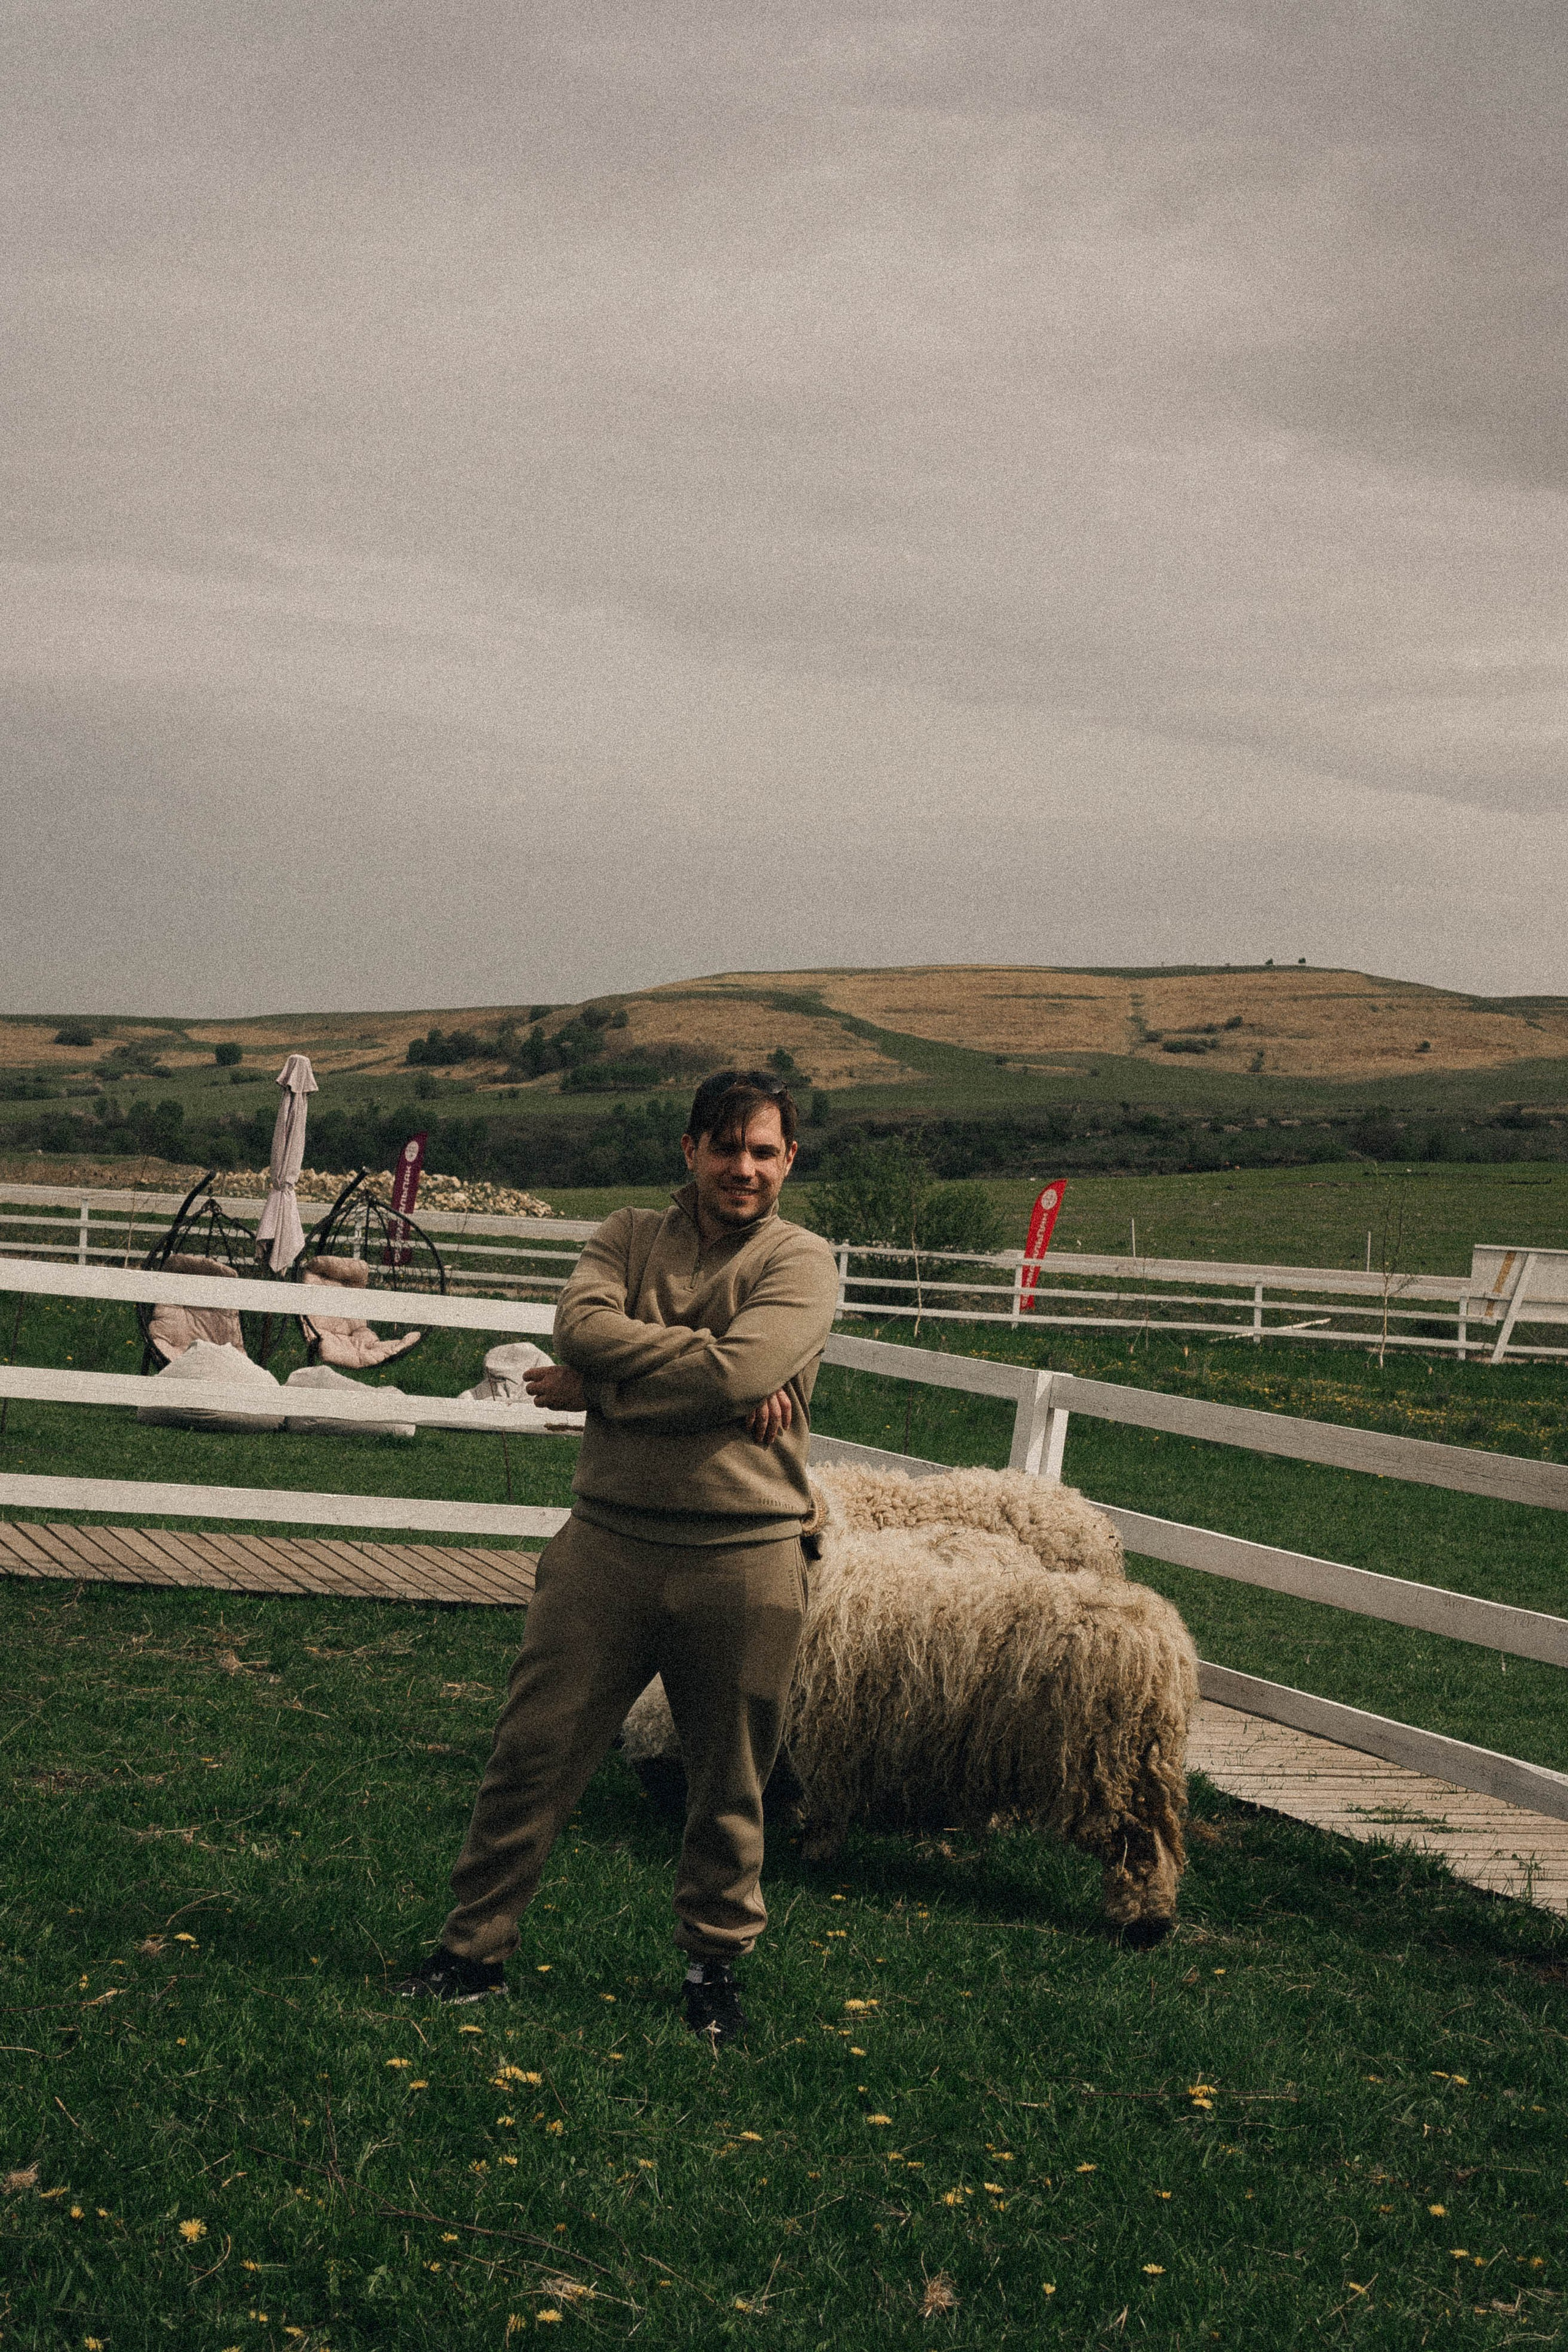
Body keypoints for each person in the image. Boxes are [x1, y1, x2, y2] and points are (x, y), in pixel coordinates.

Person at [396, 1069, 839, 2043]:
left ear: (788, 1161)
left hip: (745, 1557)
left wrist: (598, 1389)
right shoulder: (626, 1234)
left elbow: (747, 1367)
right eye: (726, 1147)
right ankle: (471, 1953)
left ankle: (712, 1971)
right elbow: (580, 1326)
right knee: (531, 1754)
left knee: (729, 1781)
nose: (745, 1168)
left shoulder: (801, 1261)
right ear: (690, 1149)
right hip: (607, 1547)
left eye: (764, 1152)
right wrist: (713, 1380)